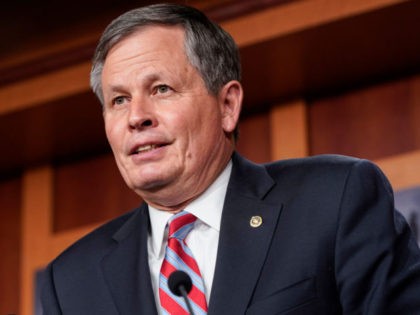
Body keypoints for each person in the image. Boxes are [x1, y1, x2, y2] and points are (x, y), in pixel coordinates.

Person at [40, 3, 420, 314]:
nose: (137, 116)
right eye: (119, 100)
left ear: (227, 105)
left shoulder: (334, 199)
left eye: (161, 89)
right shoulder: (71, 280)